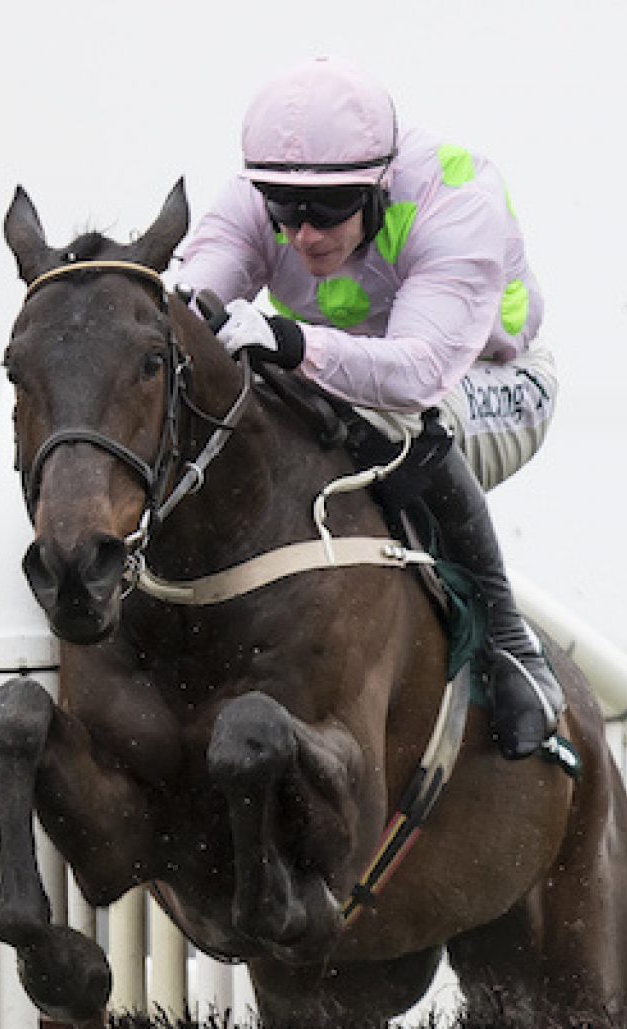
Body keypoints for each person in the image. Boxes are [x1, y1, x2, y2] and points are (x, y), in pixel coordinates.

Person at [175, 54, 565, 761]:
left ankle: (510, 643)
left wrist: (289, 341)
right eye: (285, 210)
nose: (305, 233)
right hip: (347, 374)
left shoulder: (454, 197)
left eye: (328, 211)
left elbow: (417, 374)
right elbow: (189, 305)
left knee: (401, 421)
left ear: (381, 182)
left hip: (487, 380)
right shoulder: (261, 198)